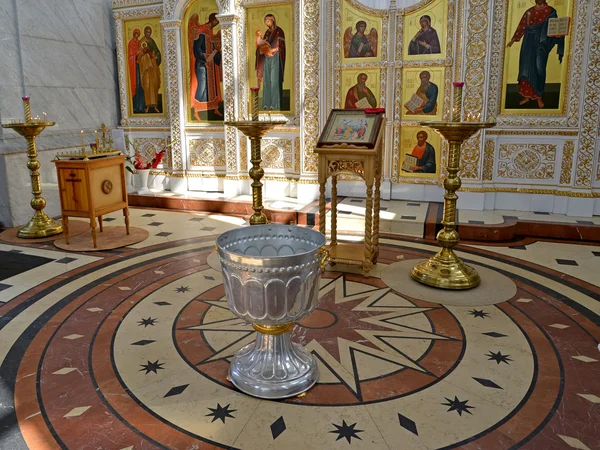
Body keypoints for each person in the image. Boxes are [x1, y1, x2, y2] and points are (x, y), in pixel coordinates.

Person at [507, 0, 565, 108]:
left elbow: (555, 27)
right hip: (528, 42)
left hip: (541, 43)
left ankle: (539, 97)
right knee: (526, 67)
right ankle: (527, 96)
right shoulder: (529, 11)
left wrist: (558, 35)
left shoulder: (551, 12)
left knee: (540, 68)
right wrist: (514, 39)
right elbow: (522, 26)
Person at [189, 13, 223, 120]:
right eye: (216, 22)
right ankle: (196, 110)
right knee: (202, 85)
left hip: (211, 65)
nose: (216, 24)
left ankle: (215, 108)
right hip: (202, 64)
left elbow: (214, 47)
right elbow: (197, 49)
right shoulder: (200, 31)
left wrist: (218, 53)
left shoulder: (210, 32)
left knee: (213, 86)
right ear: (212, 20)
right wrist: (204, 59)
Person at [255, 14, 286, 110]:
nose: (266, 23)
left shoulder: (279, 31)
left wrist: (274, 50)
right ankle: (266, 104)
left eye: (268, 20)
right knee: (267, 81)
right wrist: (262, 49)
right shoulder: (267, 33)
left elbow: (281, 46)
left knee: (274, 81)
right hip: (266, 58)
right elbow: (264, 44)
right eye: (265, 21)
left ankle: (274, 104)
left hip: (275, 58)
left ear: (273, 20)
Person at [138, 26, 162, 113]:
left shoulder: (152, 41)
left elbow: (157, 51)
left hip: (153, 67)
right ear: (144, 32)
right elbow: (139, 56)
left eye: (150, 32)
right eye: (147, 32)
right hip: (146, 68)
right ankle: (147, 106)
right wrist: (146, 55)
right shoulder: (142, 41)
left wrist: (156, 56)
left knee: (154, 85)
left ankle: (155, 105)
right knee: (147, 86)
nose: (149, 33)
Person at [128, 29, 146, 113]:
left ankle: (141, 106)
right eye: (135, 34)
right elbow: (130, 56)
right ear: (133, 34)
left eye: (138, 35)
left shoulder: (139, 43)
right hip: (134, 67)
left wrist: (141, 53)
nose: (137, 36)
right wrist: (136, 54)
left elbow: (142, 53)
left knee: (141, 86)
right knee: (136, 84)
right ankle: (135, 106)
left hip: (140, 66)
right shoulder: (130, 44)